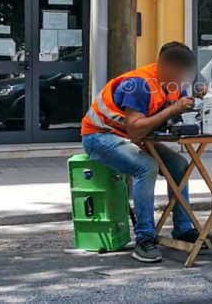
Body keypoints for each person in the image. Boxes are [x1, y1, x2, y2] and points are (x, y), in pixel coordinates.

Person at [81, 42, 205, 263]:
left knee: (179, 166)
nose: (181, 79)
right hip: (99, 136)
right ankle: (144, 238)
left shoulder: (176, 85)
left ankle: (183, 228)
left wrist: (200, 102)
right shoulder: (139, 85)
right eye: (177, 72)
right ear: (163, 67)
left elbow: (165, 117)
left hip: (133, 137)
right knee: (146, 167)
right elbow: (135, 129)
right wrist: (172, 110)